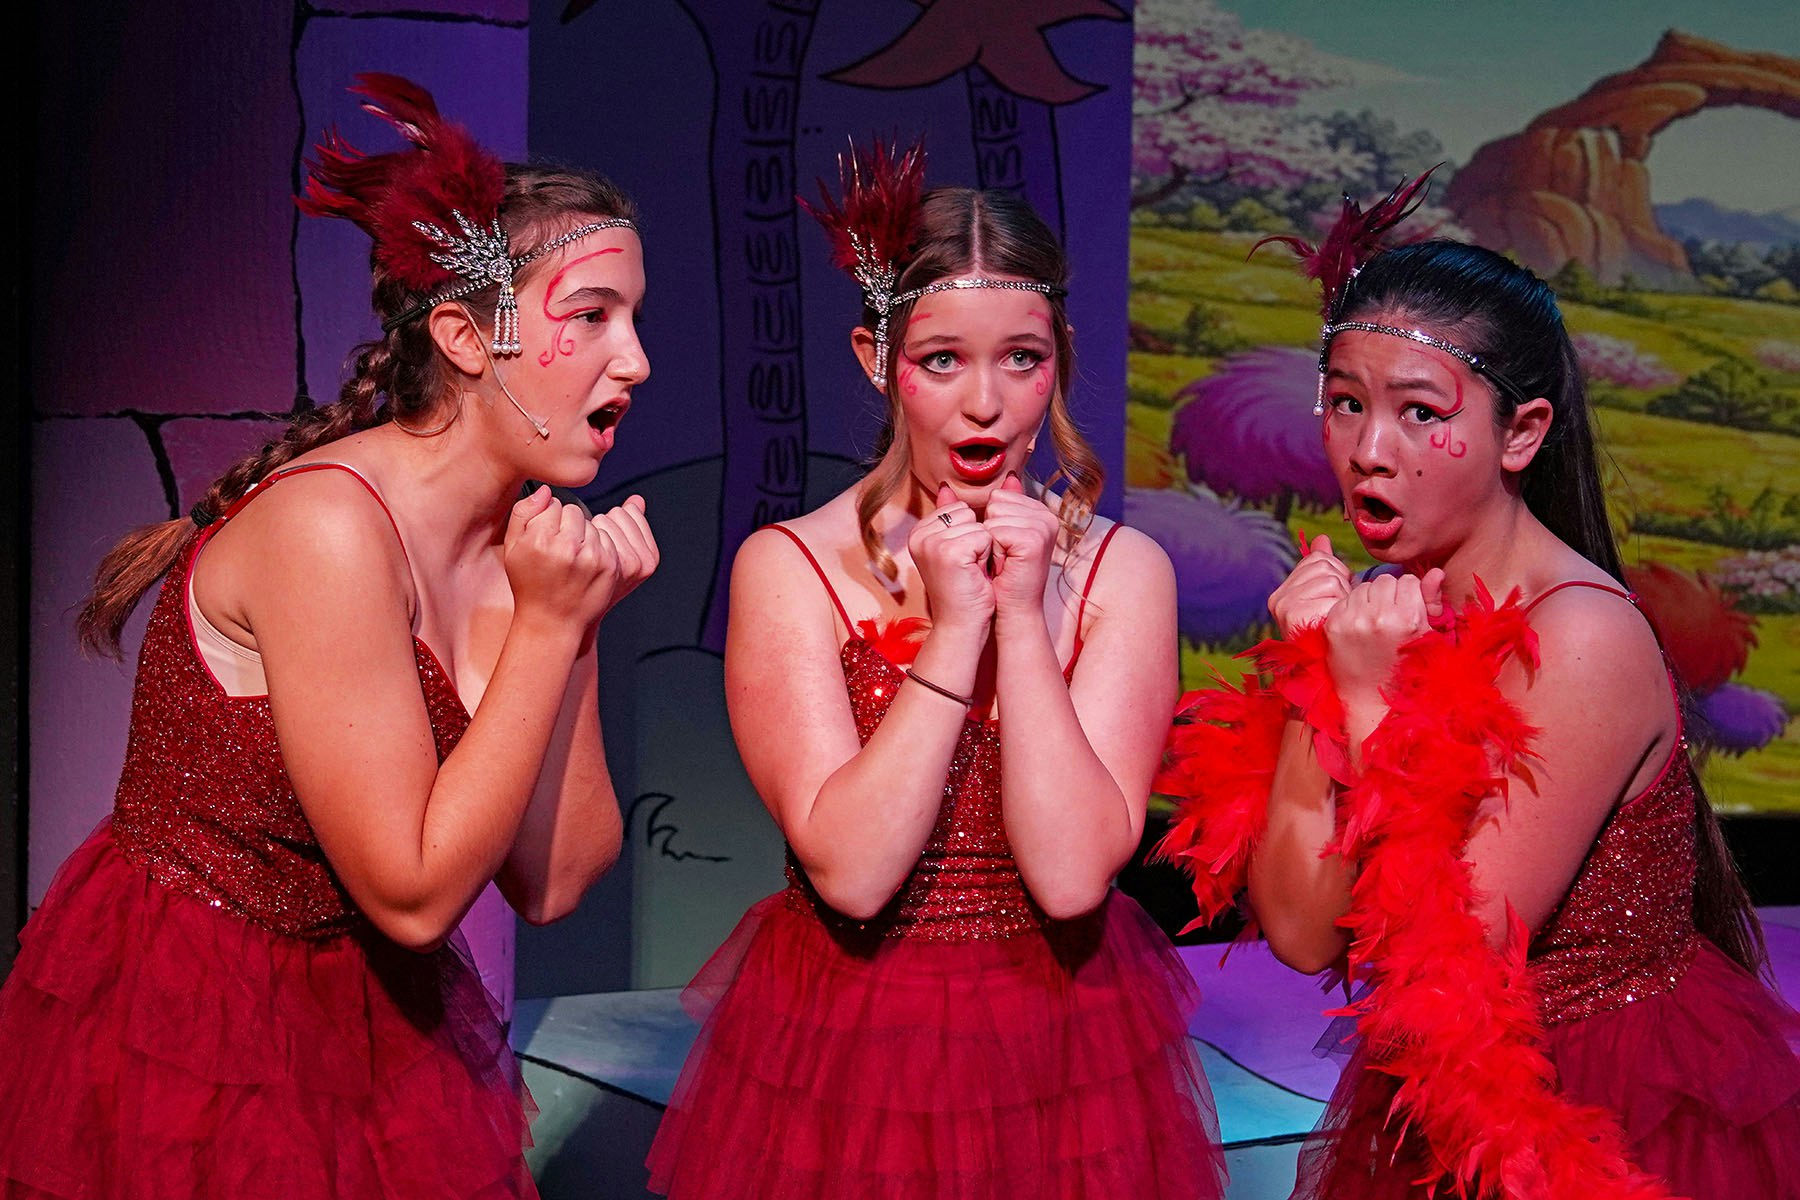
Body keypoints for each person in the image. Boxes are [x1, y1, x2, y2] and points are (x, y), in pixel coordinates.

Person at [0, 74, 656, 1199]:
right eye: (592, 316)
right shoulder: (329, 530)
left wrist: (572, 622)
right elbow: (410, 890)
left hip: (369, 1008)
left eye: (636, 320)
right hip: (196, 1016)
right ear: (462, 333)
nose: (636, 361)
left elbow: (555, 879)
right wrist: (547, 625)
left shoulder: (511, 544)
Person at [1157, 178, 1800, 1199]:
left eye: (1421, 413)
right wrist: (1319, 688)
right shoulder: (1382, 613)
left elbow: (1450, 953)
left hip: (1590, 1106)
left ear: (1521, 432)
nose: (1371, 450)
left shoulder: (1580, 636)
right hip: (1432, 1096)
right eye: (1346, 403)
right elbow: (1303, 932)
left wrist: (1365, 705)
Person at [645, 141, 1225, 1198]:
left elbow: (1069, 873)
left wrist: (1020, 607)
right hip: (848, 1040)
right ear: (878, 358)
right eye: (943, 359)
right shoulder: (789, 569)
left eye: (1023, 358)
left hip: (1064, 1040)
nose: (987, 404)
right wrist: (954, 634)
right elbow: (855, 872)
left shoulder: (1121, 573)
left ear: (1060, 359)